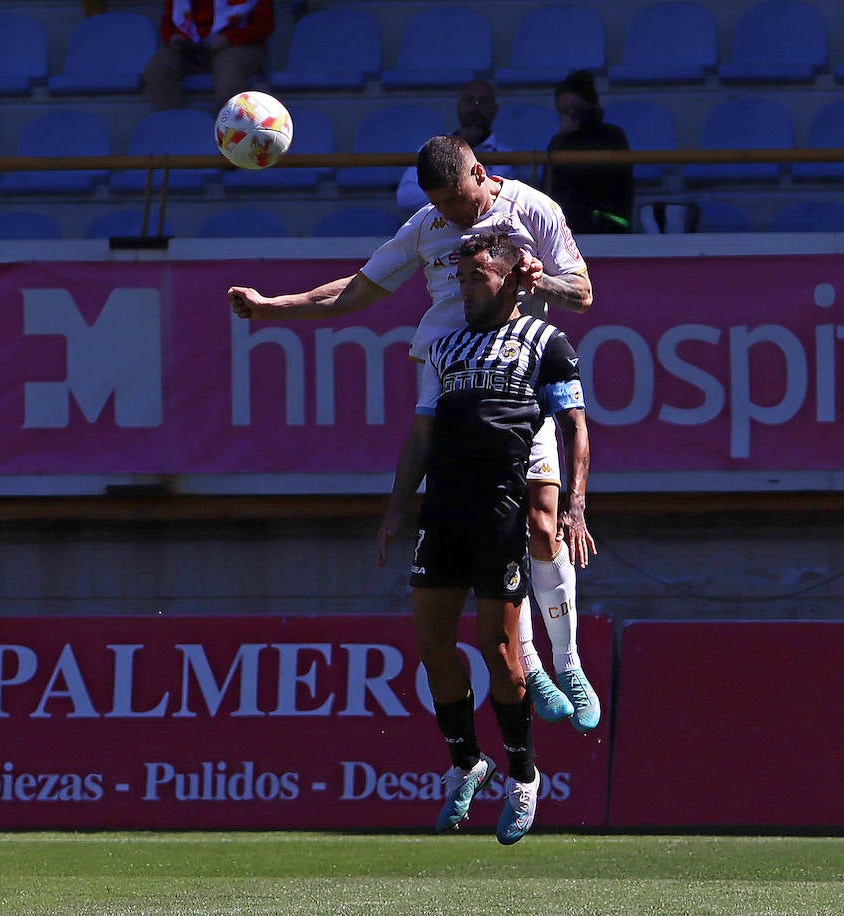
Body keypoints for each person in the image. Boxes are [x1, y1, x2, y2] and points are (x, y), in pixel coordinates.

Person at [228, 135, 602, 735]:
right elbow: (357, 289)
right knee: (490, 528)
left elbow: (581, 293)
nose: (451, 217)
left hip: (516, 374)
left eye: (458, 200)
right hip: (451, 385)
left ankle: (569, 661)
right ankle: (528, 661)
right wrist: (274, 307)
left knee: (540, 517)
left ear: (480, 171)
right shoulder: (426, 226)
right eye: (441, 205)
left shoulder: (534, 210)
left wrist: (540, 283)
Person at [382, 230, 593, 843]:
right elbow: (422, 432)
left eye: (478, 277)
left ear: (510, 280)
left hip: (501, 512)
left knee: (502, 655)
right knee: (432, 646)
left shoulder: (547, 346)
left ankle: (524, 777)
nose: (466, 288)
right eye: (462, 278)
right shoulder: (444, 349)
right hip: (442, 511)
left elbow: (576, 427)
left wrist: (575, 504)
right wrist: (397, 504)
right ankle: (468, 761)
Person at [396, 79, 515, 213]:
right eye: (469, 100)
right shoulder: (433, 150)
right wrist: (461, 195)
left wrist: (446, 193)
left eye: (483, 101)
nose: (475, 107)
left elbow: (507, 204)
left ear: (494, 109)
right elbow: (406, 198)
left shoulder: (512, 157)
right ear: (458, 106)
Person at [142, 0, 274, 112]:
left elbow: (264, 26)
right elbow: (168, 22)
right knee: (156, 69)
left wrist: (229, 38)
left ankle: (228, 132)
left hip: (238, 44)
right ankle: (177, 127)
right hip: (191, 47)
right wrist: (173, 36)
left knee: (228, 70)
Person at [545, 70, 634, 235]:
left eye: (577, 109)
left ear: (592, 106)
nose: (571, 116)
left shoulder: (613, 136)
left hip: (608, 224)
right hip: (567, 227)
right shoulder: (558, 143)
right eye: (565, 111)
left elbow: (605, 182)